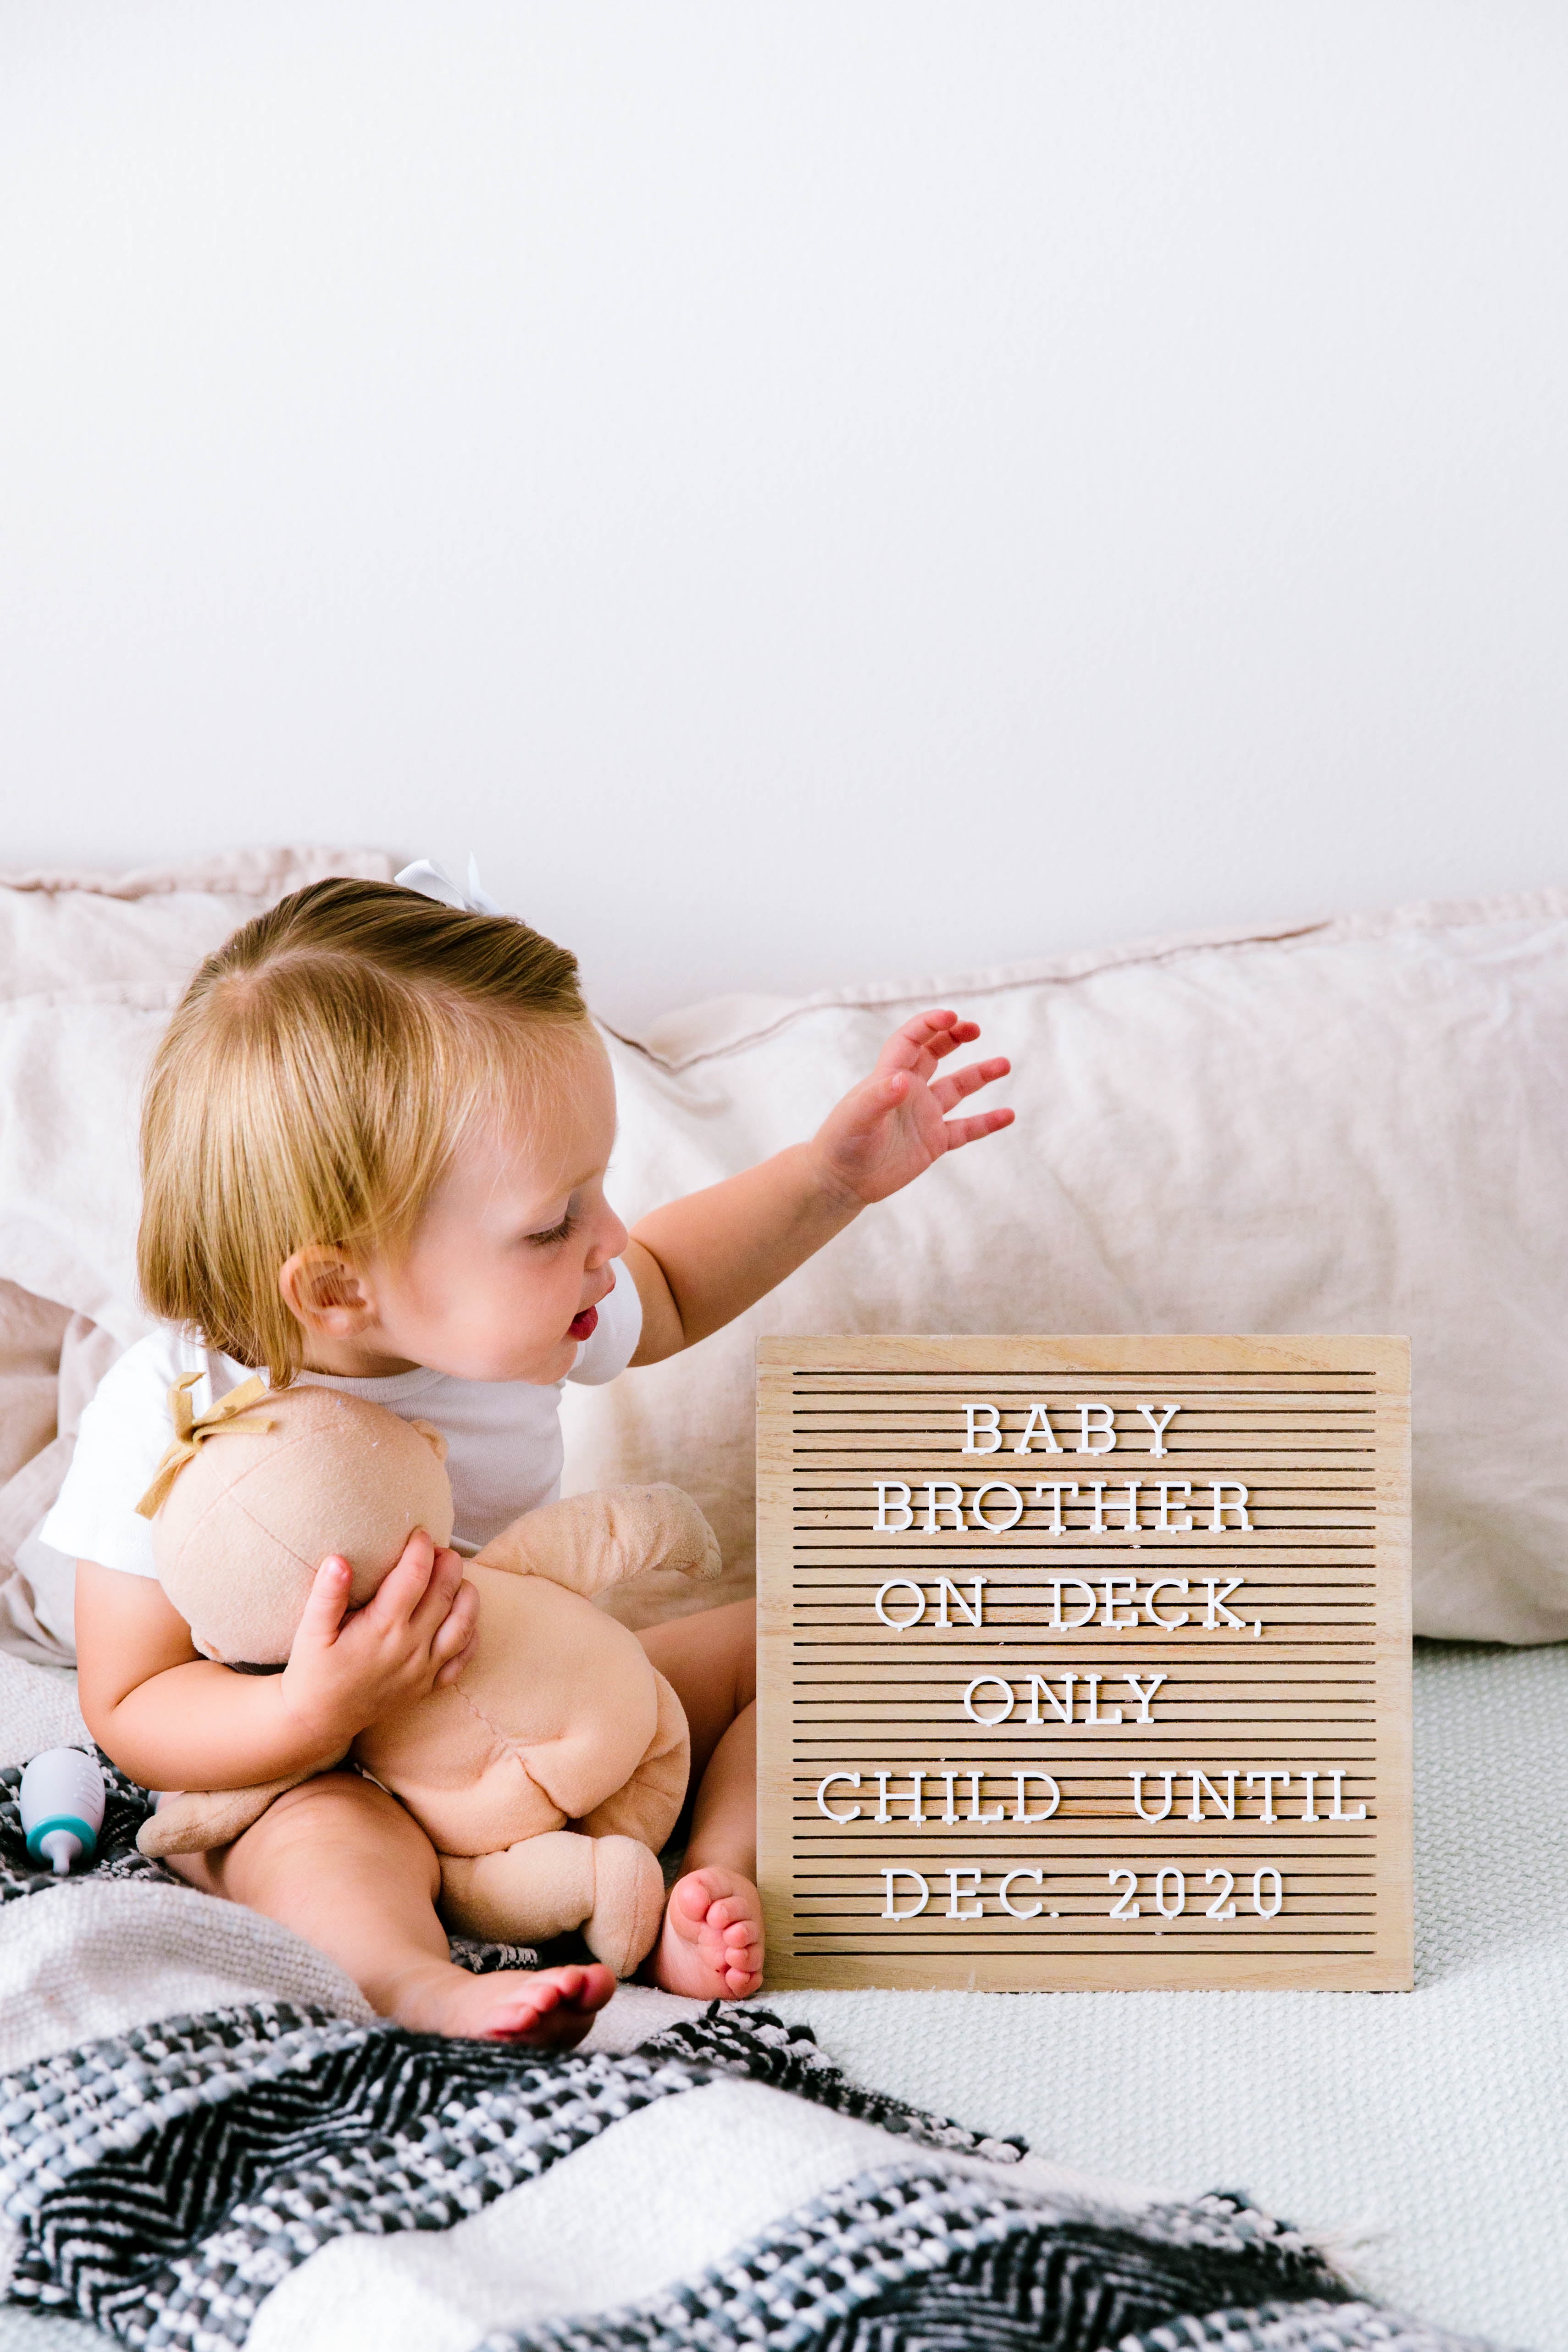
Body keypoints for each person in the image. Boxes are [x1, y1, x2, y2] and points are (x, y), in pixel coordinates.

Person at [51, 877, 1012, 2047]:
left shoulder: (522, 1313)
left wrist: (830, 1178)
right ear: (340, 1285)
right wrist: (313, 1708)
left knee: (804, 1641)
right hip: (338, 1771)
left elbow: (672, 1281)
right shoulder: (176, 1408)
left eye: (598, 1190)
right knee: (316, 1846)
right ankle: (419, 1980)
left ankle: (713, 1877)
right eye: (556, 1221)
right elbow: (132, 1701)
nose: (609, 1239)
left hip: (547, 1707)